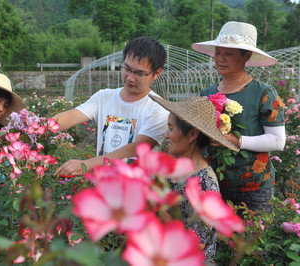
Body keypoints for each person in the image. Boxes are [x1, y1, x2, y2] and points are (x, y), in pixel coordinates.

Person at [192, 21, 286, 213]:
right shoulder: (208, 93)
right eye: (218, 53)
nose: (220, 59)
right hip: (214, 182)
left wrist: (237, 140)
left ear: (247, 56)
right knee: (216, 240)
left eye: (228, 54)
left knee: (251, 241)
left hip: (254, 188)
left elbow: (278, 141)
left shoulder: (264, 93)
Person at [54, 36, 170, 176]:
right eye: (127, 68)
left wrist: (86, 165)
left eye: (139, 73)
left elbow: (137, 148)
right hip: (102, 186)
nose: (130, 78)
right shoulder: (104, 97)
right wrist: (38, 127)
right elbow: (72, 116)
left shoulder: (158, 108)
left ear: (156, 73)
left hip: (136, 190)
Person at [150, 95, 239, 262]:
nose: (166, 135)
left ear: (192, 135)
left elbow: (197, 243)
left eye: (171, 128)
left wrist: (157, 210)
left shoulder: (206, 184)